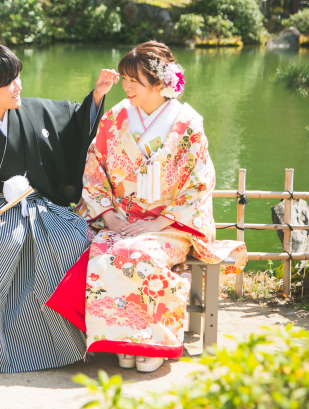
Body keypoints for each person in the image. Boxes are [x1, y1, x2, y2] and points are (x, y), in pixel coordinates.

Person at [46, 41, 247, 373]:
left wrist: (158, 224)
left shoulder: (188, 123)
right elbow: (94, 168)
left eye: (134, 81)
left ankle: (151, 342)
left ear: (160, 83)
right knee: (105, 251)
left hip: (171, 225)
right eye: (125, 79)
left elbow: (199, 182)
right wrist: (108, 216)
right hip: (121, 219)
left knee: (138, 254)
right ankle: (121, 342)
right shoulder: (116, 118)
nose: (126, 87)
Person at [0, 43, 119, 373]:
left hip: (38, 205)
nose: (19, 86)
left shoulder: (32, 112)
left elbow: (71, 122)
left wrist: (97, 96)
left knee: (71, 239)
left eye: (17, 77)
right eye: (10, 81)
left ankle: (61, 335)